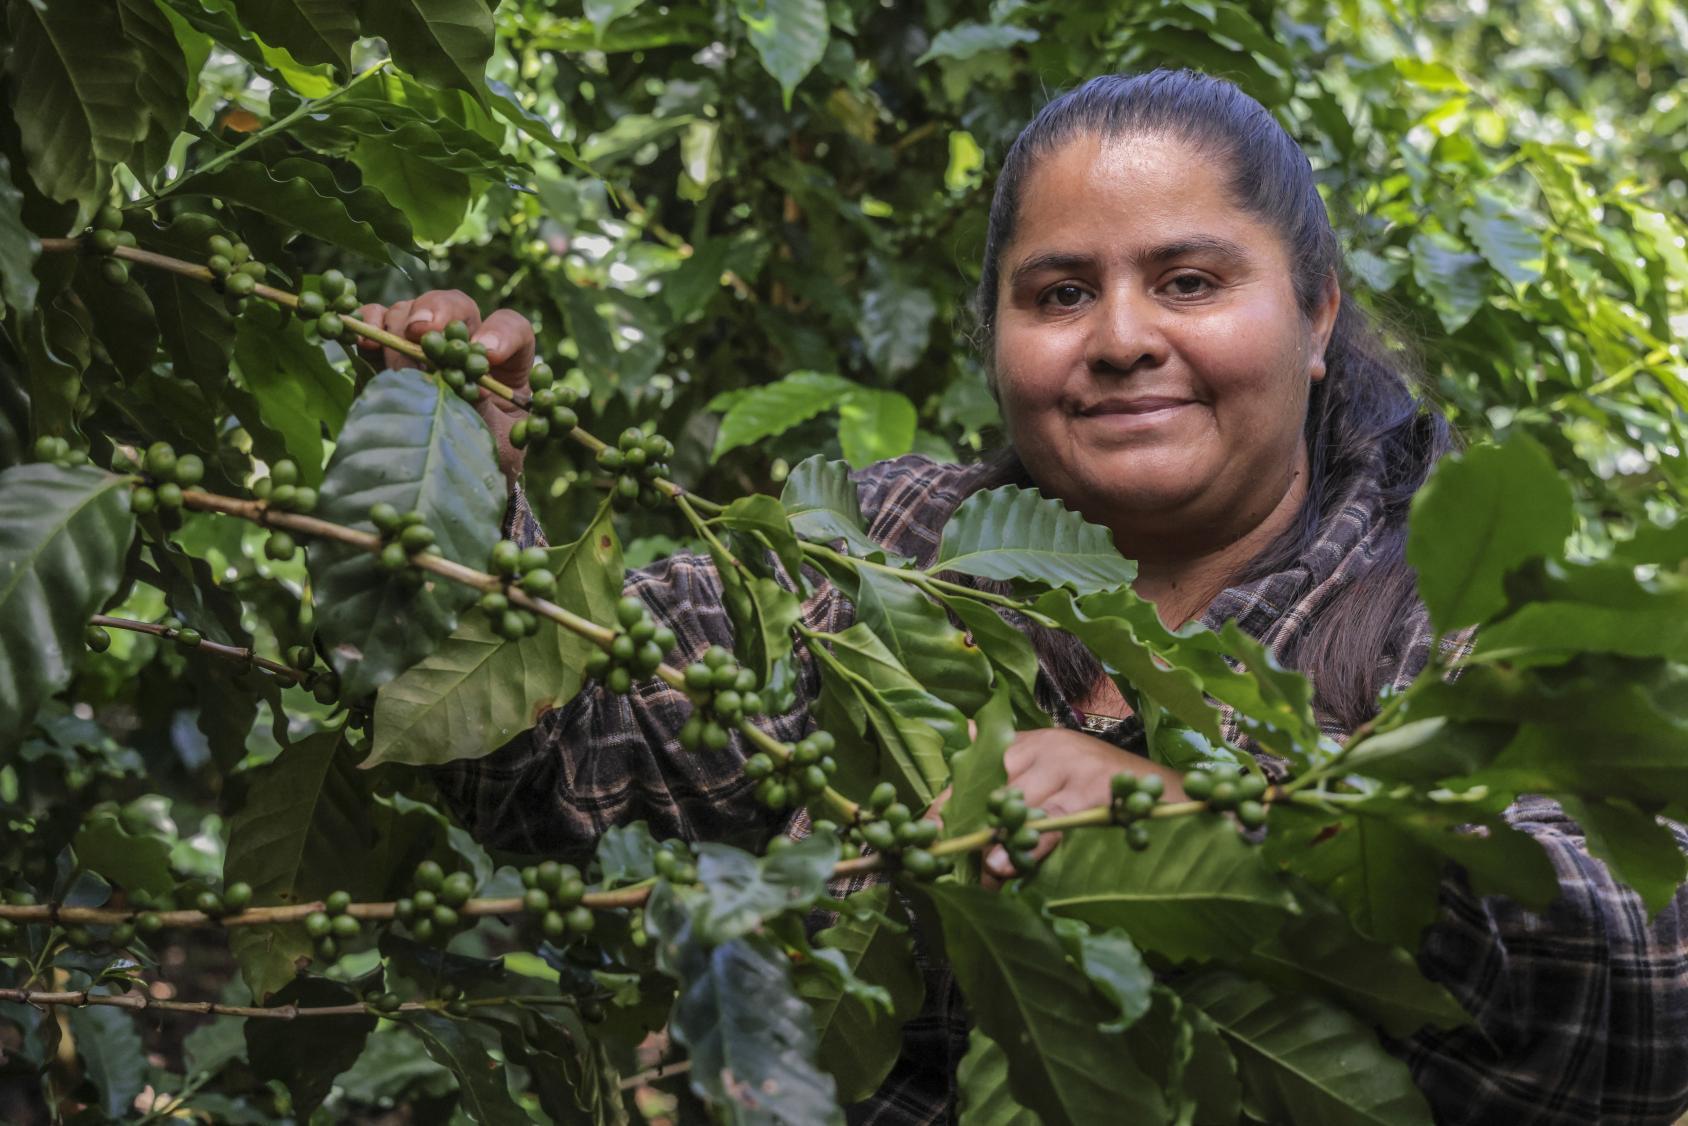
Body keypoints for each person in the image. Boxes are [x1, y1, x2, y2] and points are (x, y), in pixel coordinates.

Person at [356, 70, 1688, 1125]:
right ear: (996, 336)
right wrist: (458, 492)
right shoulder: (884, 551)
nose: (1121, 338)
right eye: (1060, 294)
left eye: (1189, 281)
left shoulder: (1453, 611)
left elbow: (1646, 986)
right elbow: (552, 765)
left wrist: (1237, 835)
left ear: (1318, 314)